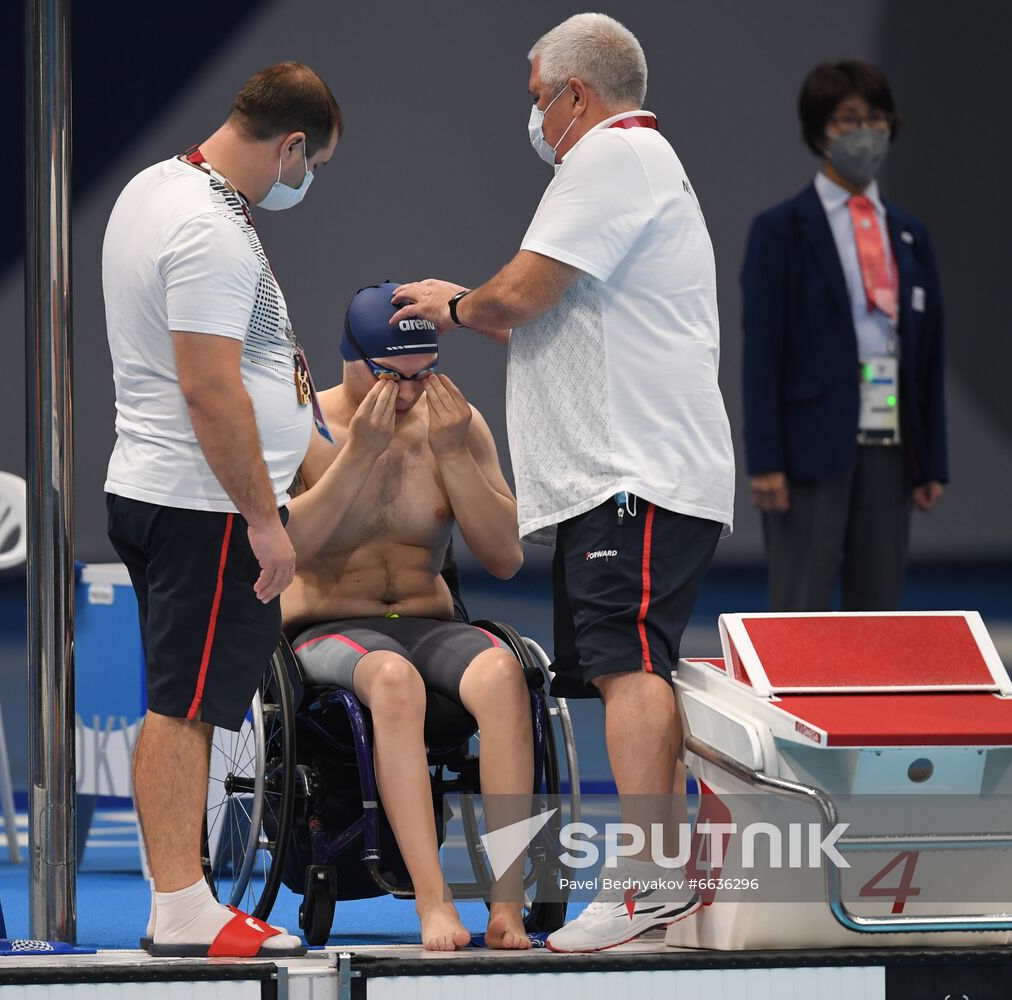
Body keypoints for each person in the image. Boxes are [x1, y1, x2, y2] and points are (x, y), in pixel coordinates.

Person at [388, 14, 734, 952]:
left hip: (636, 473)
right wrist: (464, 307)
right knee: (627, 671)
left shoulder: (611, 161)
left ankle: (647, 883)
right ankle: (658, 882)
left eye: (537, 97)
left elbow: (520, 295)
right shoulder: (630, 169)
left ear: (575, 95)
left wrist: (455, 306)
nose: (533, 116)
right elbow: (548, 319)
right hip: (615, 477)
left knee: (629, 672)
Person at [101, 62, 341, 959]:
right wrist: (265, 519)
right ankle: (181, 906)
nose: (303, 182)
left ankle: (184, 895)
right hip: (205, 505)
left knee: (184, 701)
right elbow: (208, 390)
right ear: (288, 147)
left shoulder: (156, 188)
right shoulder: (207, 229)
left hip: (165, 487)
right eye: (309, 164)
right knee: (184, 707)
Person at [282, 283, 530, 951]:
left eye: (425, 377)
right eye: (392, 377)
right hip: (327, 627)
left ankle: (507, 902)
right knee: (392, 680)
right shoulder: (300, 424)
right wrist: (357, 455)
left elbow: (504, 557)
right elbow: (286, 552)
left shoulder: (456, 424)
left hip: (427, 619)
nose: (409, 395)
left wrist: (453, 456)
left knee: (505, 676)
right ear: (352, 359)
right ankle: (433, 901)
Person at [741, 61, 947, 612]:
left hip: (890, 431)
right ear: (819, 131)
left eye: (877, 119)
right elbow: (762, 353)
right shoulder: (780, 230)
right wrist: (764, 459)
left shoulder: (909, 232)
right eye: (849, 119)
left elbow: (927, 354)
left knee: (880, 606)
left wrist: (932, 459)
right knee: (800, 603)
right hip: (809, 440)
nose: (866, 132)